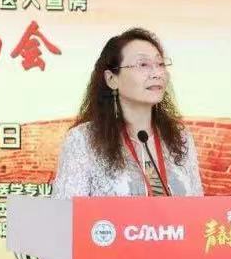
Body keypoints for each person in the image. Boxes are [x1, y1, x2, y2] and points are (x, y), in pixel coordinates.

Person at [51, 28, 203, 198]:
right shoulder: (83, 140)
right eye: (143, 64)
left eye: (160, 64)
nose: (157, 73)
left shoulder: (181, 137)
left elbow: (198, 206)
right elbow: (66, 210)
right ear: (112, 79)